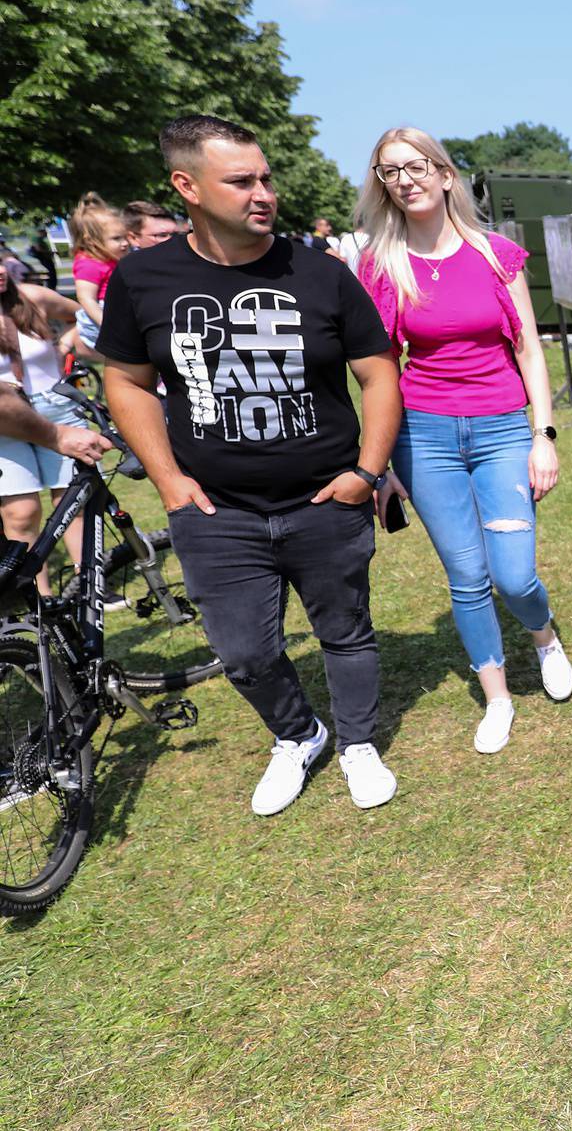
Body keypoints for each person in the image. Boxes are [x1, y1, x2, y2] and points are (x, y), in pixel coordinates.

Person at [97, 114, 403, 816]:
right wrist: (171, 482)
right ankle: (299, 735)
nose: (263, 193)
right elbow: (127, 382)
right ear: (188, 187)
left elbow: (380, 373)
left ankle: (357, 742)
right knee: (244, 655)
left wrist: (366, 471)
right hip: (216, 510)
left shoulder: (319, 273)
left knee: (345, 631)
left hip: (326, 499)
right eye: (242, 181)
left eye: (265, 178)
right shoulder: (144, 278)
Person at [354, 126, 572, 755]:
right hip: (424, 437)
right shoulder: (379, 264)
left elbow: (529, 348)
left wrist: (543, 435)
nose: (406, 178)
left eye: (417, 165)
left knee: (514, 575)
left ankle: (545, 637)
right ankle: (497, 696)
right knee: (466, 576)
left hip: (504, 428)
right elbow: (378, 370)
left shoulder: (495, 254)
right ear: (383, 185)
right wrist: (381, 462)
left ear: (446, 175)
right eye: (391, 170)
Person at [0, 270, 94, 592]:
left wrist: (65, 343)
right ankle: (41, 598)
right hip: (5, 421)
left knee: (71, 502)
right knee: (21, 513)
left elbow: (83, 315)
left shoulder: (31, 296)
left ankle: (89, 584)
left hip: (54, 407)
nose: (0, 270)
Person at [68, 192, 127, 353]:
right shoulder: (89, 264)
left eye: (125, 237)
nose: (125, 243)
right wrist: (107, 324)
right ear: (90, 240)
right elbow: (86, 298)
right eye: (117, 238)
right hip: (100, 322)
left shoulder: (112, 258)